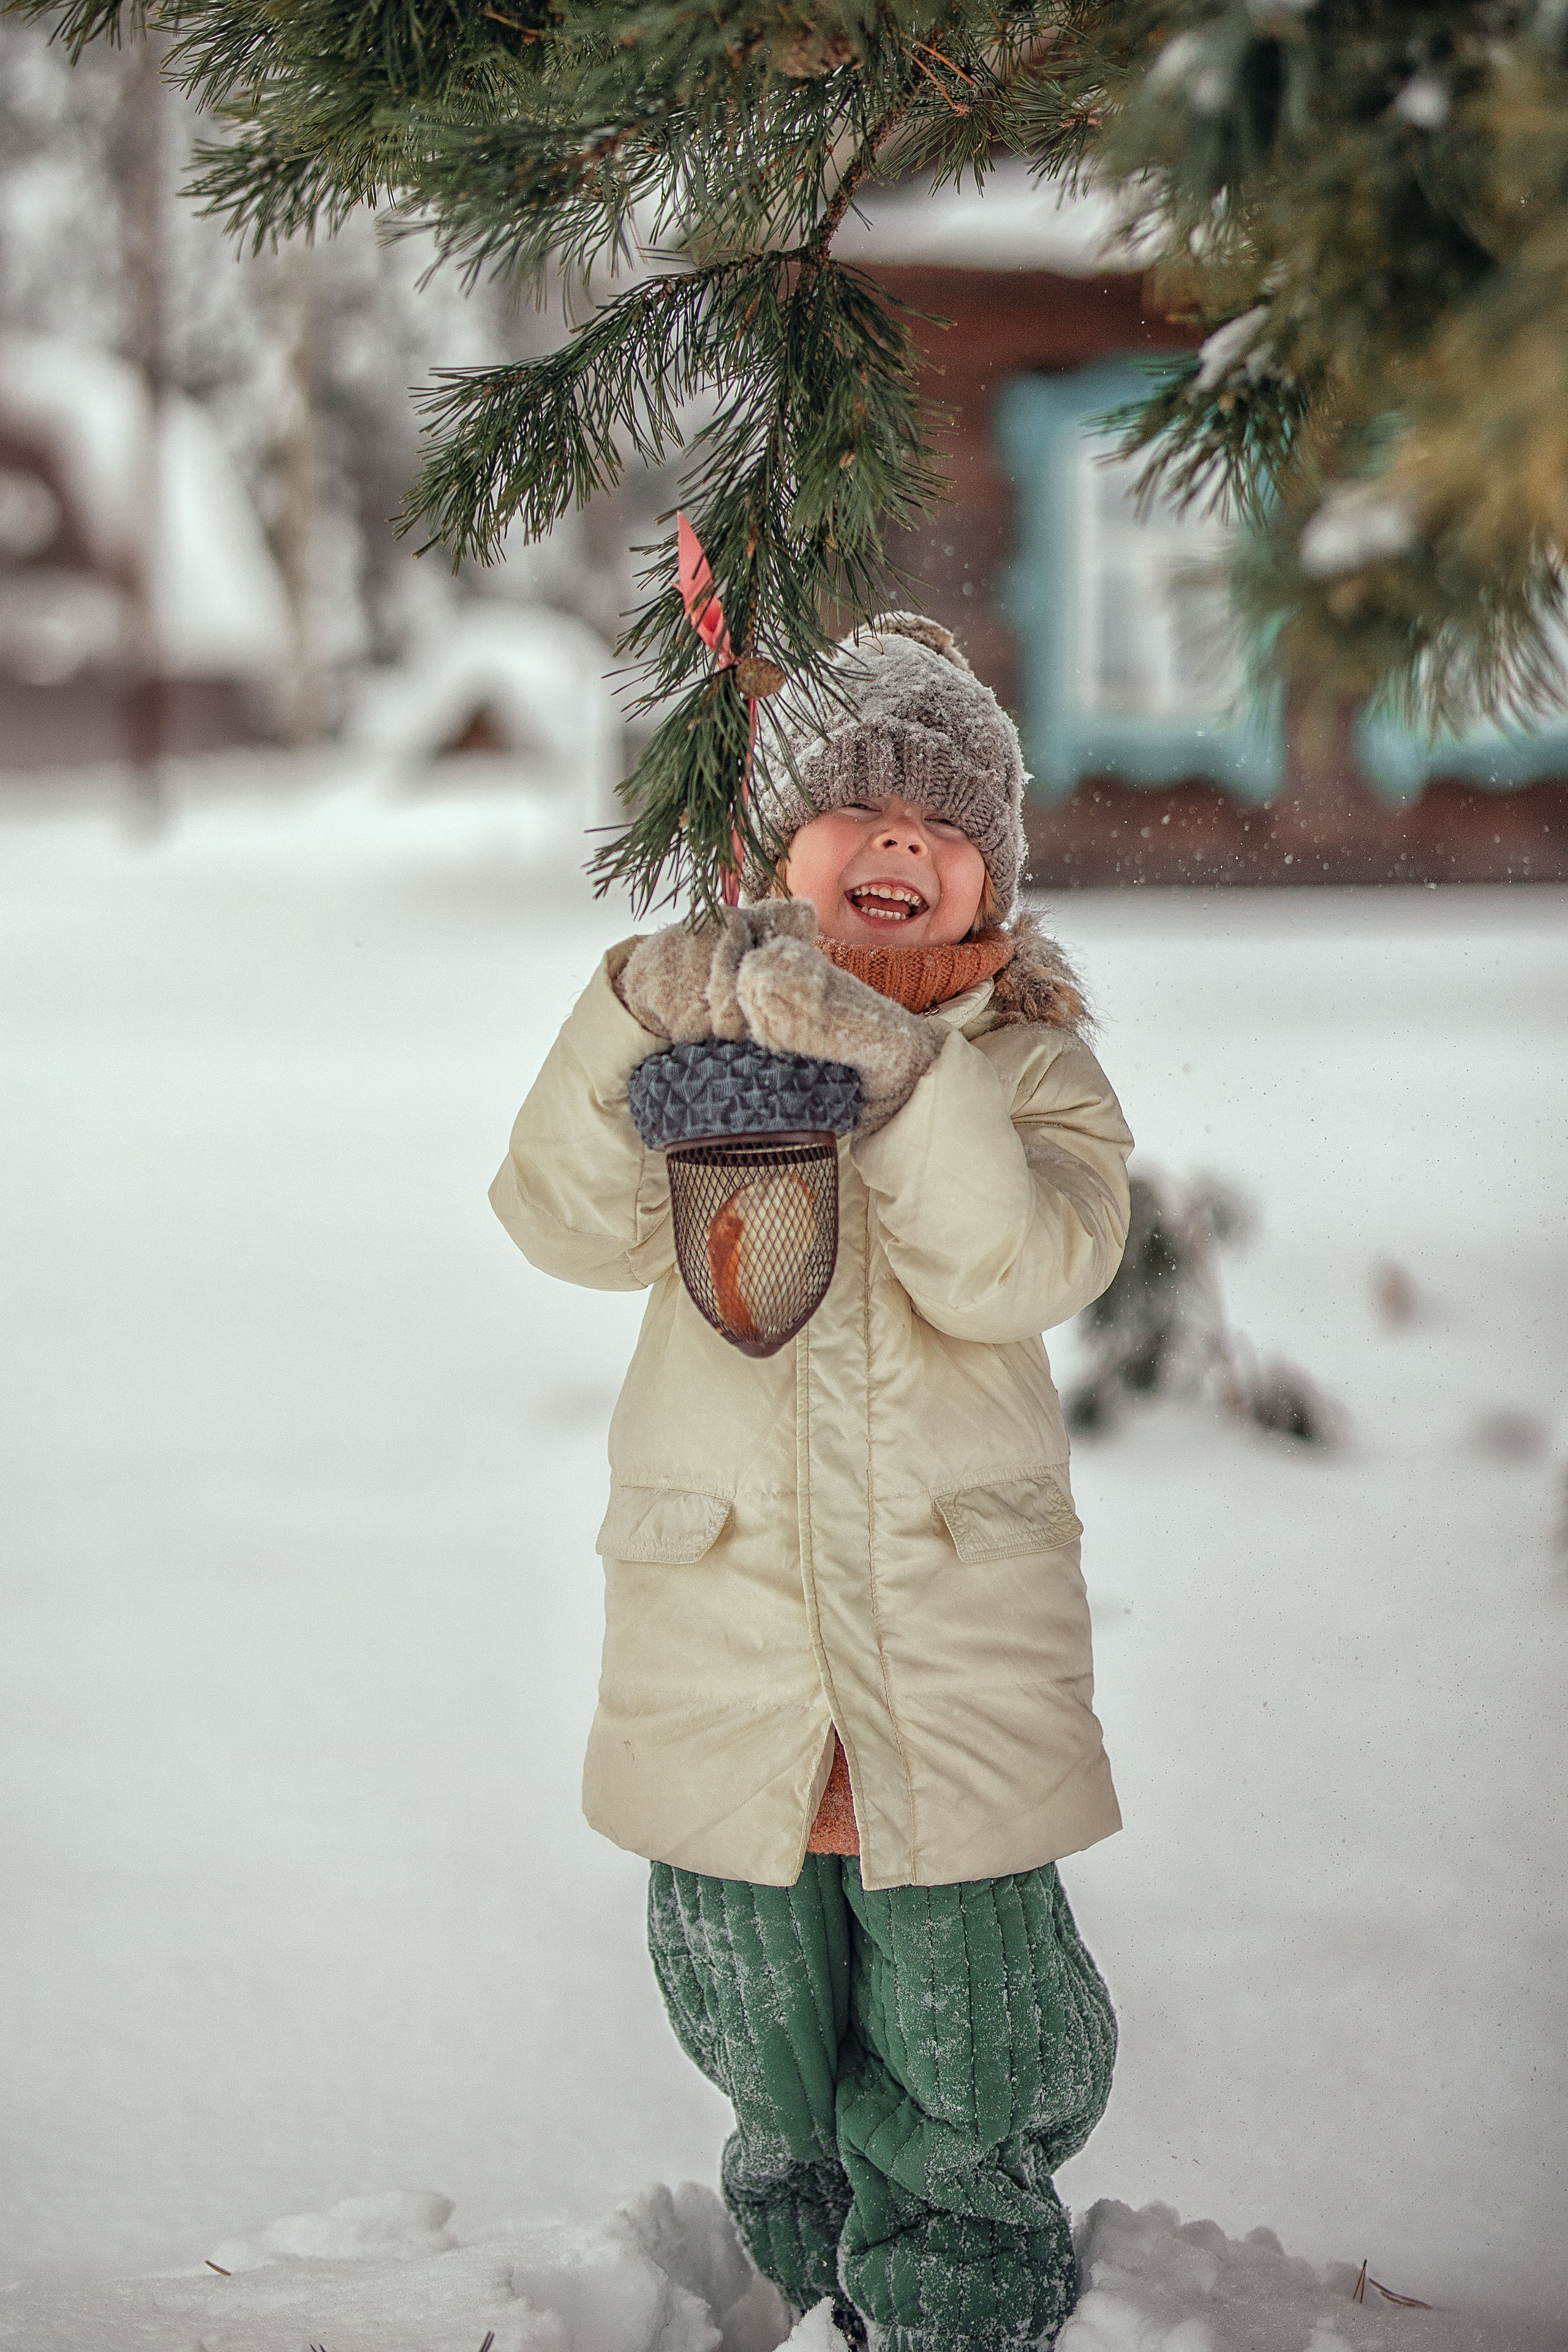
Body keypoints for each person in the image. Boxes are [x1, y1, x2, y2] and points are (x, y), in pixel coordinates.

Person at [489, 614, 1134, 2352]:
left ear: (992, 872)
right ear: (774, 851)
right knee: (749, 1985)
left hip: (948, 1646)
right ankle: (796, 2258)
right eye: (858, 811)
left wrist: (899, 1071)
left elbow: (1008, 1270)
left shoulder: (1034, 1070)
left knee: (971, 2005)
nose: (904, 843)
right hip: (732, 1636)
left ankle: (961, 2281)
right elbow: (557, 1220)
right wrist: (633, 1015)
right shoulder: (697, 1056)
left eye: (947, 820)